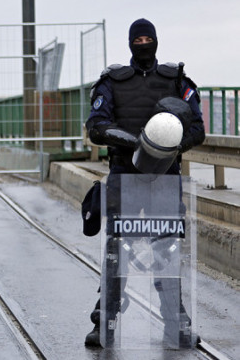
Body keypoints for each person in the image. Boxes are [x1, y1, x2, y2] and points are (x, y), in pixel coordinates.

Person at [83, 18, 204, 348]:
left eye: (148, 38)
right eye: (138, 39)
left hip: (165, 178)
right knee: (116, 249)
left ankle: (175, 321)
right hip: (124, 175)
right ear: (129, 43)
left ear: (156, 41)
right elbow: (96, 125)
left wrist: (167, 146)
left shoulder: (176, 79)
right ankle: (104, 320)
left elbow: (197, 129)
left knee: (167, 249)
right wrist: (139, 143)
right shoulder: (112, 82)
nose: (143, 44)